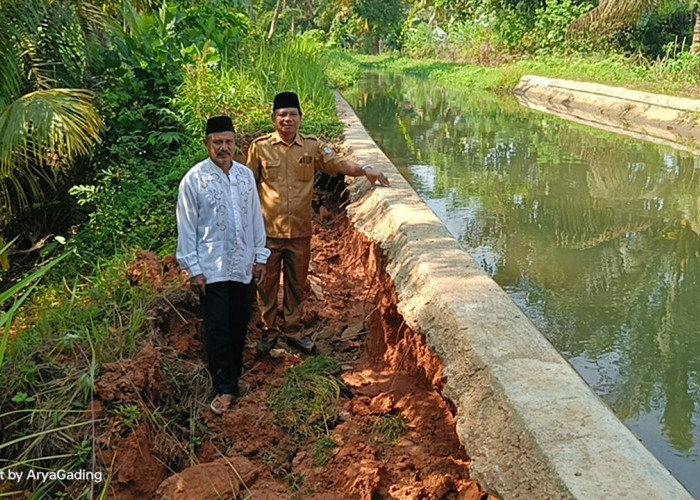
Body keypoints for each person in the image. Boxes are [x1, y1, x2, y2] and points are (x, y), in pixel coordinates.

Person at [246, 91, 390, 354]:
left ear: (300, 118)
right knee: (266, 285)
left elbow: (337, 163)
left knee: (296, 283)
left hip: (300, 232)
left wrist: (365, 169)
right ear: (273, 119)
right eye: (282, 115)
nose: (287, 119)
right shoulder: (260, 147)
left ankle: (293, 330)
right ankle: (268, 333)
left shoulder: (312, 147)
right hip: (267, 233)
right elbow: (246, 185)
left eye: (292, 114)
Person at [176, 115, 270, 414]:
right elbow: (187, 226)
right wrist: (193, 268)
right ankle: (225, 387)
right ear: (207, 144)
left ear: (236, 143)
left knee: (239, 322)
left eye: (228, 142)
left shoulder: (244, 176)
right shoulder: (194, 179)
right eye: (217, 142)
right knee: (217, 327)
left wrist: (259, 255)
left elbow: (256, 217)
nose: (223, 147)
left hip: (242, 265)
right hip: (211, 268)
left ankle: (235, 375)